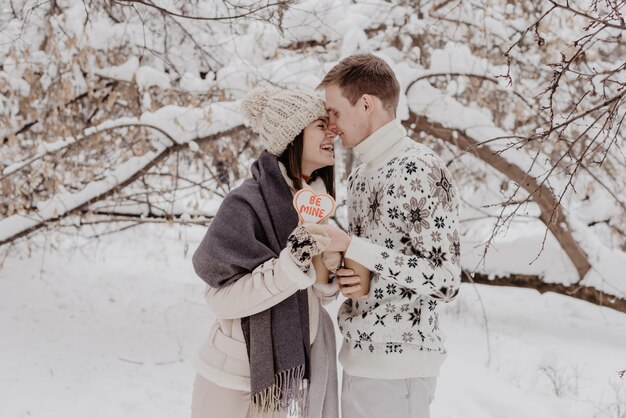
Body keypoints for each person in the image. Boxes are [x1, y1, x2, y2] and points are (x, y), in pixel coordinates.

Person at [316, 54, 462, 418]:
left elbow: (445, 280)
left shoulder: (418, 167)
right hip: (358, 358)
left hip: (402, 368)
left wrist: (354, 248)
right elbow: (378, 269)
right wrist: (345, 270)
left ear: (367, 103)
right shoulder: (362, 175)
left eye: (334, 112)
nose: (330, 126)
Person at [190, 87, 348, 418]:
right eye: (321, 125)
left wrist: (328, 264)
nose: (332, 131)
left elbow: (311, 296)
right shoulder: (245, 204)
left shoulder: (311, 205)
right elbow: (219, 299)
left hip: (280, 385)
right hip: (231, 377)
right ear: (292, 136)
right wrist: (291, 263)